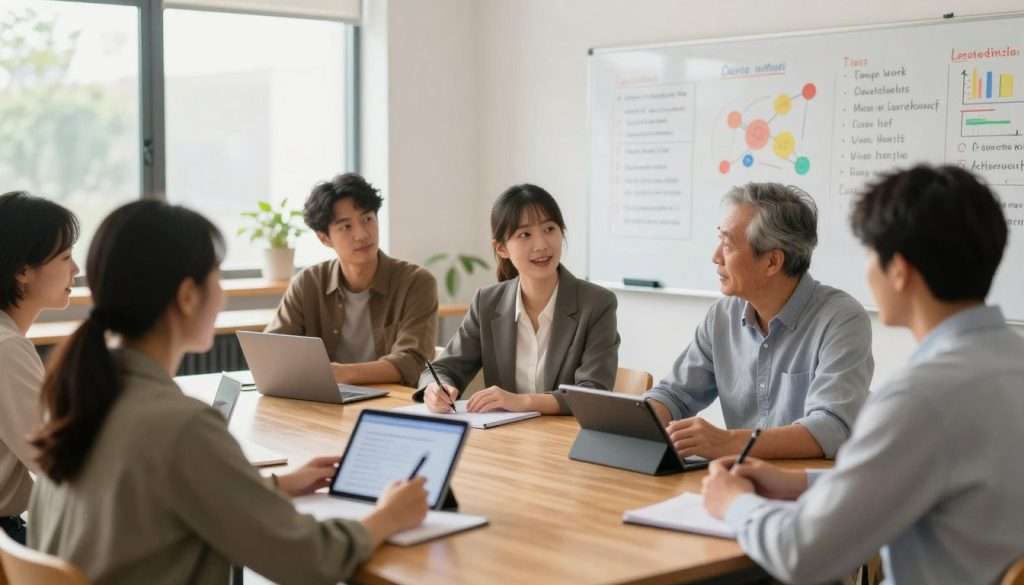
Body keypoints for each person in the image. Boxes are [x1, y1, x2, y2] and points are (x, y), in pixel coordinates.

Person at [27, 200, 428, 585]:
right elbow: (310, 560)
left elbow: (161, 499)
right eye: (217, 278)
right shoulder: (181, 426)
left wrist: (272, 488)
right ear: (187, 296)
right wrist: (387, 516)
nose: (224, 295)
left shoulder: (78, 399)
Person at [702, 165, 1024, 585]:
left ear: (899, 271)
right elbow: (930, 480)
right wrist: (799, 483)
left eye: (871, 253)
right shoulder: (1007, 363)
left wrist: (735, 503)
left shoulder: (919, 398)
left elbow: (802, 555)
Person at [643, 183, 873, 460]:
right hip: (739, 482)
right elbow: (675, 395)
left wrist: (727, 443)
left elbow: (831, 427)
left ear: (772, 262)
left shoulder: (842, 320)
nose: (715, 256)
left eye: (727, 245)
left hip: (812, 488)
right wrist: (643, 420)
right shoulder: (722, 317)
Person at [415, 184, 619, 415]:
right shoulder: (487, 303)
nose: (541, 244)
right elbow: (443, 368)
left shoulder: (597, 304)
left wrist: (523, 402)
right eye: (525, 235)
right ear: (501, 248)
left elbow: (592, 393)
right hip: (507, 439)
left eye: (550, 229)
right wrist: (436, 389)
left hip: (565, 440)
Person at [266, 173, 438, 386]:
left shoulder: (416, 282)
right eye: (346, 226)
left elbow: (412, 362)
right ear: (324, 238)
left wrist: (338, 374)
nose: (362, 234)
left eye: (367, 219)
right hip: (323, 404)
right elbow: (272, 352)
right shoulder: (308, 283)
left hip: (393, 405)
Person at [0, 191, 79, 544]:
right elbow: (55, 463)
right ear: (22, 271)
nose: (75, 269)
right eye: (65, 257)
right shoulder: (7, 348)